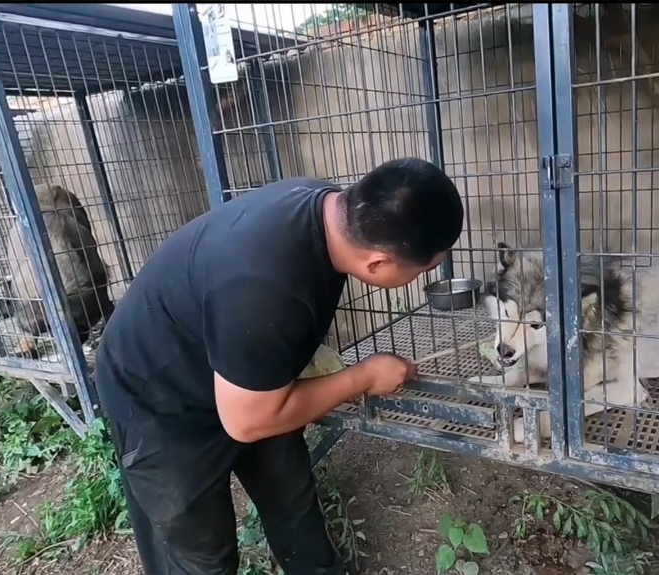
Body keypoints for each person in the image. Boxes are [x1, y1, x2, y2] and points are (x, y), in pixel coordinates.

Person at [93, 157, 464, 575]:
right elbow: (246, 421)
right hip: (159, 395)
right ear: (377, 263)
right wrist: (363, 377)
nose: (429, 272)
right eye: (427, 268)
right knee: (199, 552)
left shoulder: (332, 213)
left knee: (292, 499)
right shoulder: (266, 288)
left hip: (245, 374)